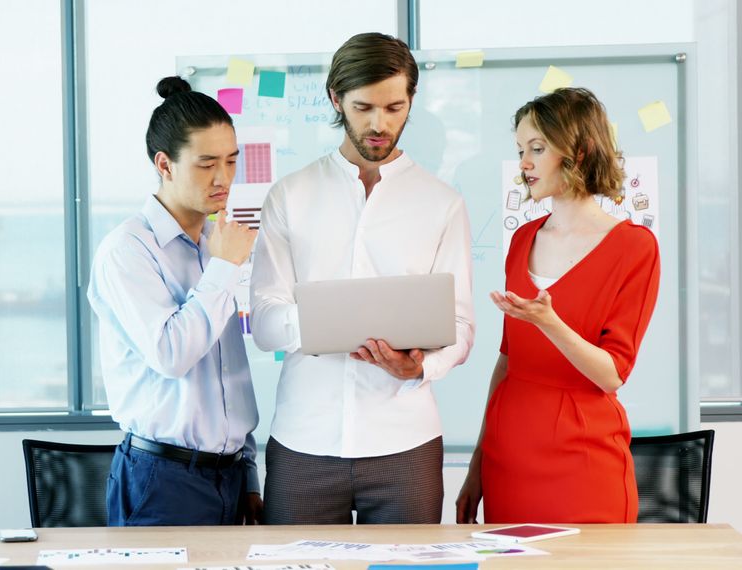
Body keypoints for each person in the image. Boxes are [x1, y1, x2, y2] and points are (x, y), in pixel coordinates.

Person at [250, 32, 475, 525]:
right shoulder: (290, 195)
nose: (379, 124)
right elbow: (265, 324)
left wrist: (419, 368)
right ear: (335, 99)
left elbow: (460, 326)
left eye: (395, 107)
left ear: (411, 100)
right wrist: (332, 318)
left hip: (406, 442)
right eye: (363, 107)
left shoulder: (442, 203)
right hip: (302, 441)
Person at [456, 87, 661, 524]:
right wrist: (477, 465)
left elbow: (612, 373)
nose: (524, 163)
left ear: (580, 151)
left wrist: (550, 322)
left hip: (584, 461)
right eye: (519, 150)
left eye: (537, 148)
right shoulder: (522, 240)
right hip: (508, 457)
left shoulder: (634, 248)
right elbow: (507, 361)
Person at [87, 76, 263, 526]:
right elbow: (171, 354)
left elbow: (228, 375)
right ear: (164, 164)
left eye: (231, 161)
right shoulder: (127, 250)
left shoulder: (215, 242)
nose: (223, 178)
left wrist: (248, 474)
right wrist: (225, 270)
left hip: (230, 478)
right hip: (162, 480)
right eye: (206, 165)